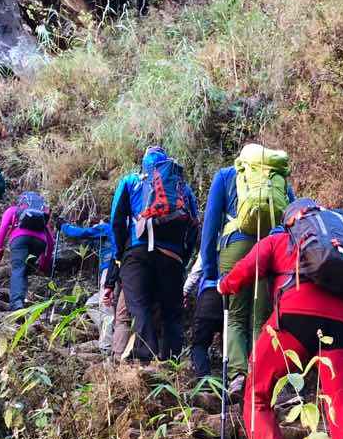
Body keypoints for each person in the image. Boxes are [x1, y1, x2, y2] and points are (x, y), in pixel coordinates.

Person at [219, 199, 343, 439]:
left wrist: (224, 285)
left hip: (293, 319)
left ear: (290, 221)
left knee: (256, 394)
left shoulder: (279, 240)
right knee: (341, 404)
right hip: (342, 325)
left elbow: (241, 275)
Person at [199, 152, 294, 392]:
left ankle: (238, 376)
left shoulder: (225, 176)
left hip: (236, 245)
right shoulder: (277, 178)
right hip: (270, 248)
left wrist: (210, 270)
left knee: (235, 316)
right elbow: (291, 217)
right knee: (261, 318)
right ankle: (262, 376)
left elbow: (210, 225)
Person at [109, 146, 198, 362]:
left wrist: (119, 254)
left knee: (138, 307)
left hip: (137, 252)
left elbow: (117, 221)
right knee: (172, 315)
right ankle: (171, 363)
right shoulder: (183, 189)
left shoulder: (132, 181)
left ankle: (146, 359)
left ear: (145, 163)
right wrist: (182, 259)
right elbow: (194, 228)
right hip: (173, 257)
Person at [59, 219, 118, 353]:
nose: (94, 226)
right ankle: (113, 333)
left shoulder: (105, 227)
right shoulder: (110, 235)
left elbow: (81, 233)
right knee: (91, 304)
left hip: (110, 271)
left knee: (106, 308)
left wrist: (63, 226)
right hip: (114, 272)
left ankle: (106, 347)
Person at [0, 193, 56, 312]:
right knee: (24, 271)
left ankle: (16, 304)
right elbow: (51, 242)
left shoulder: (13, 210)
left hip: (19, 240)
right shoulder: (42, 216)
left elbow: (2, 231)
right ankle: (20, 301)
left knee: (18, 269)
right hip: (39, 243)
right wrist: (43, 265)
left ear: (21, 201)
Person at [184, 253, 223, 379]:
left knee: (199, 344)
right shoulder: (248, 240)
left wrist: (184, 291)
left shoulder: (212, 243)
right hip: (233, 298)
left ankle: (204, 381)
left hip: (209, 296)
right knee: (231, 341)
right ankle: (231, 379)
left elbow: (197, 271)